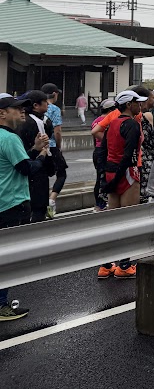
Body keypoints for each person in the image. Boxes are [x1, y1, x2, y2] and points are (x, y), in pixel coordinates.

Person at [0, 93, 51, 320]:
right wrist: (41, 154)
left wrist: (32, 149)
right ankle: (1, 305)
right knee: (7, 258)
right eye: (17, 107)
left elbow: (15, 164)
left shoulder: (4, 137)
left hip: (2, 202)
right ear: (2, 113)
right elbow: (27, 169)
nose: (23, 111)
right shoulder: (9, 138)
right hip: (12, 203)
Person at [101, 90, 148, 278]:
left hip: (111, 171)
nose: (140, 106)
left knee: (113, 222)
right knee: (128, 220)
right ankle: (125, 265)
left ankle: (106, 265)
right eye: (138, 102)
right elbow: (129, 155)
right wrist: (120, 176)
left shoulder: (111, 123)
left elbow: (102, 151)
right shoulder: (132, 125)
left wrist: (106, 181)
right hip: (127, 172)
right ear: (129, 104)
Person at [16, 90, 55, 222]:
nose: (22, 112)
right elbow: (44, 147)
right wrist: (47, 162)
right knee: (38, 209)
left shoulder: (20, 124)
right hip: (36, 171)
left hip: (24, 174)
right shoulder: (37, 122)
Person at [41, 83, 68, 218]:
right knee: (61, 173)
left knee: (42, 176)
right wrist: (58, 146)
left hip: (39, 146)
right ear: (55, 94)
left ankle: (43, 203)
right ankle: (52, 199)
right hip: (51, 145)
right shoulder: (54, 109)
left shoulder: (37, 107)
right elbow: (57, 131)